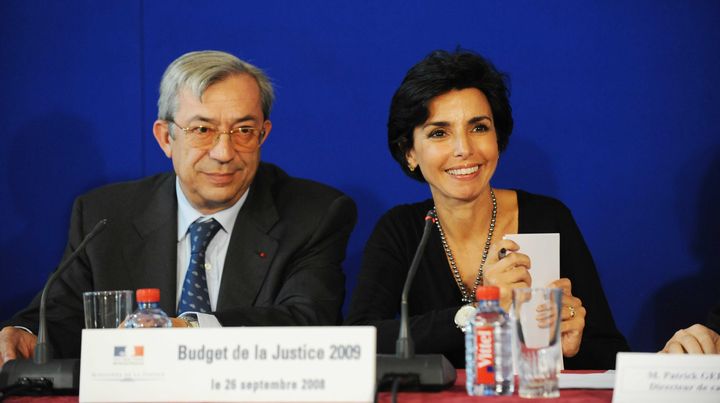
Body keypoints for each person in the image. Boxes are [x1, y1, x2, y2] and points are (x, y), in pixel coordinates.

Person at [0, 50, 357, 364]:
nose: (224, 153)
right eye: (202, 130)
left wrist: (187, 329)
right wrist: (24, 332)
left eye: (244, 131)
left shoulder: (313, 215)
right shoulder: (105, 216)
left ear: (264, 134)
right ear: (166, 137)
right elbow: (60, 315)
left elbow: (307, 323)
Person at [345, 49, 629, 369]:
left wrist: (573, 347)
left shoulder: (548, 219)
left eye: (478, 127)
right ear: (409, 152)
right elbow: (360, 340)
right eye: (439, 132)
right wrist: (478, 314)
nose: (464, 149)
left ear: (498, 137)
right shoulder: (401, 229)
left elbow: (610, 353)